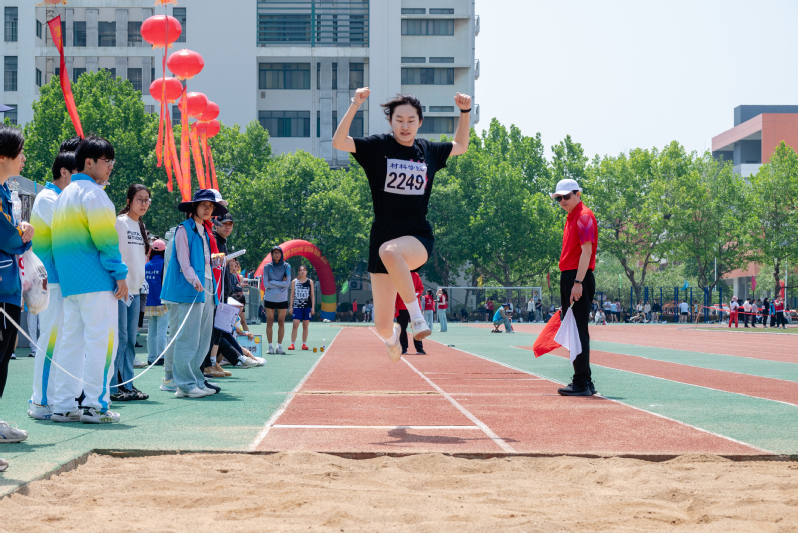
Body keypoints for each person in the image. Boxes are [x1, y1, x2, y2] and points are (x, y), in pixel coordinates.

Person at [332, 88, 472, 361]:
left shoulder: (428, 150)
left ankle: (417, 318)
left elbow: (461, 145)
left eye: (411, 120)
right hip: (383, 232)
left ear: (420, 122)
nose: (405, 126)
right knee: (382, 324)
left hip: (417, 235)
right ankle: (393, 337)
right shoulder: (378, 147)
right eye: (399, 120)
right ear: (390, 121)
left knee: (390, 251)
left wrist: (464, 112)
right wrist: (355, 104)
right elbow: (339, 142)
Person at [50, 136, 127, 423]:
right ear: (89, 162)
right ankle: (96, 405)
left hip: (71, 283)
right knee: (102, 343)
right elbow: (106, 240)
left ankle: (63, 405)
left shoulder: (65, 195)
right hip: (97, 281)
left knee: (70, 343)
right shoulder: (95, 194)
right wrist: (119, 274)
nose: (110, 166)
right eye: (106, 161)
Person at [27, 138, 78, 422]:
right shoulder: (49, 198)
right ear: (64, 172)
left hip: (61, 280)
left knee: (59, 343)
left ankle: (51, 398)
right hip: (52, 280)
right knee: (51, 341)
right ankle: (41, 401)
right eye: (77, 174)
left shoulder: (58, 197)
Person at [160, 189, 225, 399]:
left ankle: (196, 379)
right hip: (192, 287)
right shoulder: (183, 229)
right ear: (194, 207)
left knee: (203, 338)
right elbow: (184, 261)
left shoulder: (205, 230)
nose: (208, 209)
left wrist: (215, 261)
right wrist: (194, 279)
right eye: (204, 205)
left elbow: (204, 260)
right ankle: (184, 385)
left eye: (211, 206)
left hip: (207, 284)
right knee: (187, 337)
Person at [0, 125, 35, 457]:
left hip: (9, 288)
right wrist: (23, 234)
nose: (23, 158)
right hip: (2, 289)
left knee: (3, 359)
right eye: (19, 152)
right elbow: (10, 238)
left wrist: (21, 231)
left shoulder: (5, 191)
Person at [551, 178, 598, 396]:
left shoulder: (584, 216)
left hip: (577, 276)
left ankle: (581, 383)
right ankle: (585, 380)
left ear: (578, 194)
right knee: (574, 329)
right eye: (558, 198)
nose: (562, 201)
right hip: (571, 276)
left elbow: (586, 252)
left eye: (566, 196)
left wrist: (578, 282)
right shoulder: (572, 216)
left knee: (577, 331)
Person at [110, 184, 151, 402]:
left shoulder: (140, 225)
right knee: (120, 338)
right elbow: (112, 253)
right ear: (129, 201)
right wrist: (120, 281)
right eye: (139, 199)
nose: (144, 203)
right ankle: (113, 386)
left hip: (136, 290)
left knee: (131, 339)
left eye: (147, 200)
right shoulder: (119, 222)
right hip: (120, 289)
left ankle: (127, 384)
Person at [263, 245, 291, 354]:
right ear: (272, 254)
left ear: (281, 254)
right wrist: (280, 283)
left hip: (282, 298)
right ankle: (270, 346)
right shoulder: (267, 267)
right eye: (275, 252)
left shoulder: (287, 266)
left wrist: (273, 281)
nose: (277, 254)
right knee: (269, 321)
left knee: (281, 322)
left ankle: (279, 346)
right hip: (269, 297)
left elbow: (287, 283)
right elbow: (266, 284)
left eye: (278, 252)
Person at [144, 239, 168, 365]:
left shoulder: (146, 265)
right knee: (162, 331)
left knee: (151, 331)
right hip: (162, 302)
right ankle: (161, 356)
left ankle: (151, 357)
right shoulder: (165, 265)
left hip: (148, 302)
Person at [396, 272, 426, 354]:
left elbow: (420, 288)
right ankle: (403, 348)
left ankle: (419, 348)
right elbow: (395, 291)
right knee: (402, 328)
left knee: (417, 327)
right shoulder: (398, 274)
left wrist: (416, 294)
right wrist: (395, 306)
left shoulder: (415, 275)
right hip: (402, 305)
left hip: (414, 305)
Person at [288, 265, 314, 351]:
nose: (302, 271)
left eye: (304, 270)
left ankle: (304, 344)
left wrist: (313, 307)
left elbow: (312, 295)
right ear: (298, 272)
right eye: (301, 270)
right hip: (297, 306)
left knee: (305, 326)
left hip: (307, 306)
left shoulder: (310, 282)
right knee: (295, 325)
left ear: (306, 272)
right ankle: (292, 344)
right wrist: (291, 307)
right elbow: (292, 295)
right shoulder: (294, 282)